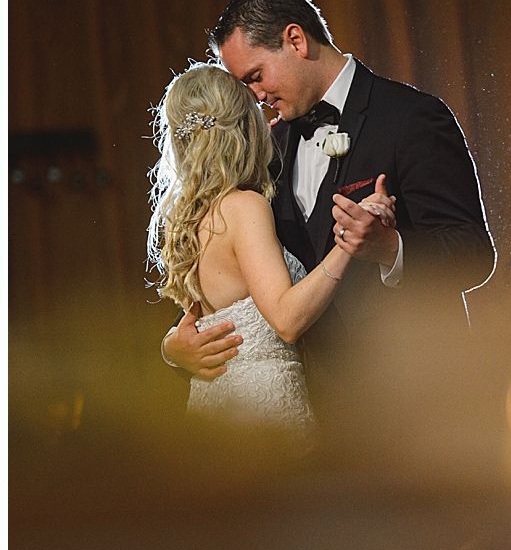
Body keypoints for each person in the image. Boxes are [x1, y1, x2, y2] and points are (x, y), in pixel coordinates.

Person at [161, 0, 496, 466]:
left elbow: (473, 254)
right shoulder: (268, 148)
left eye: (256, 76)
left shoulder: (411, 118)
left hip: (406, 409)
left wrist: (390, 249)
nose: (255, 96)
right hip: (311, 420)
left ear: (296, 40)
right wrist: (175, 347)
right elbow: (240, 273)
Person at [147, 62, 395, 446]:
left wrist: (169, 348)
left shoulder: (187, 216)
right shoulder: (243, 206)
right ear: (244, 128)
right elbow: (287, 319)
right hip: (262, 409)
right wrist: (350, 239)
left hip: (214, 402)